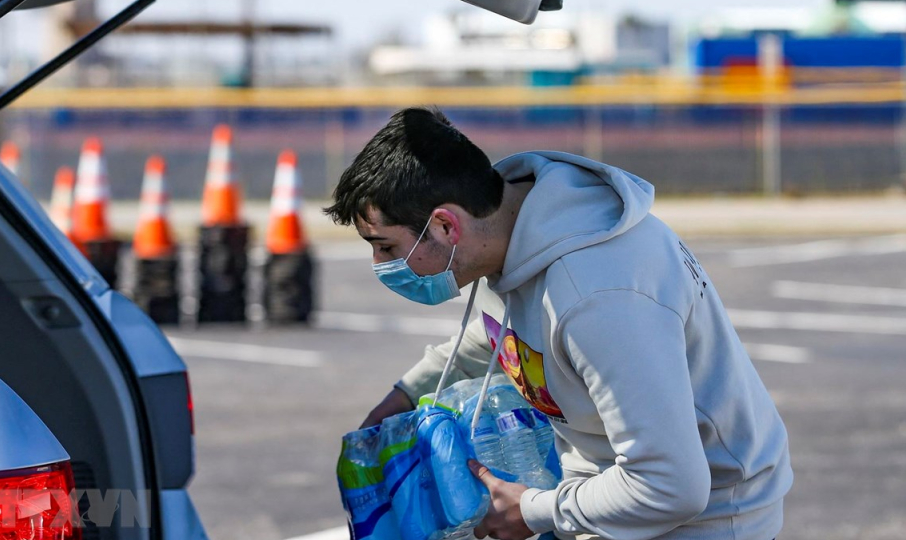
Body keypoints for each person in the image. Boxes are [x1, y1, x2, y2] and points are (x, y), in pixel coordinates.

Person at [324, 107, 792, 540]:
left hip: (700, 521)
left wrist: (532, 512)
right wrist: (400, 399)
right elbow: (492, 338)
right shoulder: (505, 237)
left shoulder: (598, 296)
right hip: (606, 497)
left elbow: (672, 484)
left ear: (447, 226)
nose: (382, 264)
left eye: (386, 247)